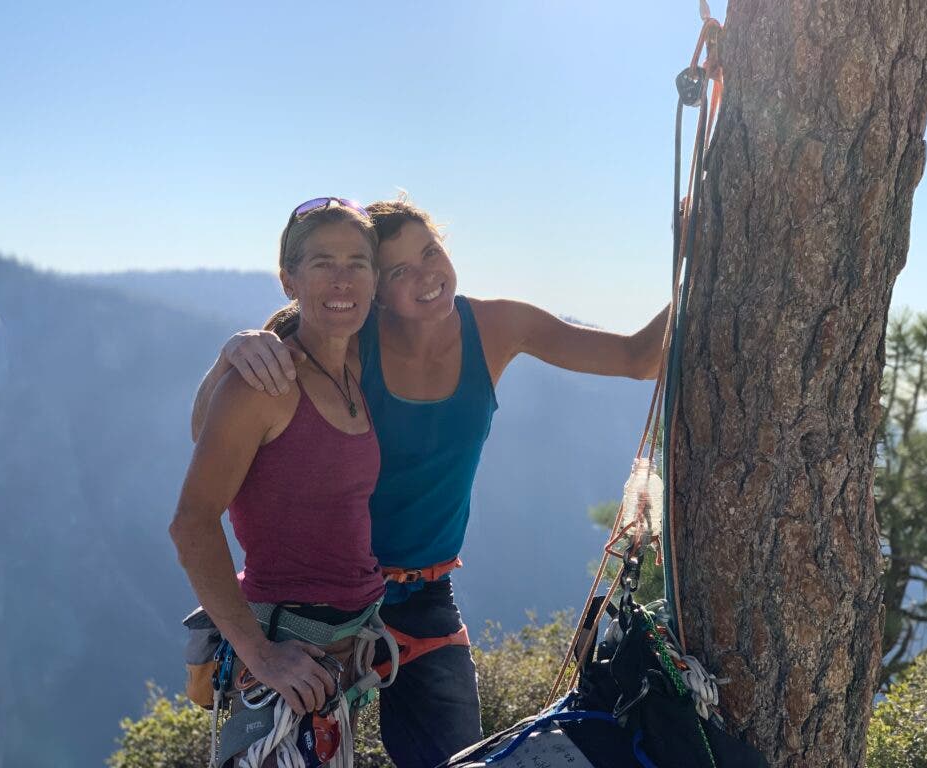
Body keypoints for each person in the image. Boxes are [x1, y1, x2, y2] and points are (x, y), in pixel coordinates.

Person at [191, 198, 669, 768]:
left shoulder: (496, 327)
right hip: (322, 602)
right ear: (376, 293)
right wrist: (235, 352)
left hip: (424, 597)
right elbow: (208, 435)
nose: (426, 276)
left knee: (458, 758)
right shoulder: (348, 343)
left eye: (431, 251)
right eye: (398, 271)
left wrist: (697, 249)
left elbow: (640, 358)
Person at [171, 197, 390, 767]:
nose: (342, 279)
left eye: (356, 262)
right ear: (289, 278)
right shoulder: (265, 384)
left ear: (374, 278)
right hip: (284, 656)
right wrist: (262, 656)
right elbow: (191, 524)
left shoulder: (358, 367)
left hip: (339, 659)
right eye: (321, 262)